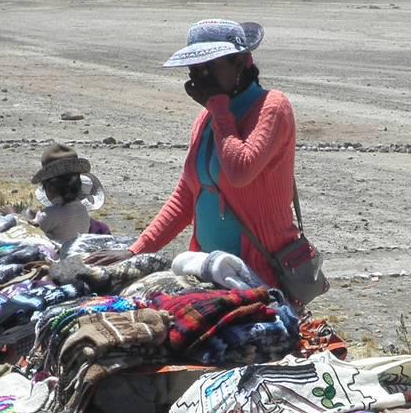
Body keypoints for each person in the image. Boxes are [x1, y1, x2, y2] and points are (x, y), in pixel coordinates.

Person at [126, 18, 299, 289]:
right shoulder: (207, 119)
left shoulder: (271, 108)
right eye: (195, 68)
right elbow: (186, 196)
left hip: (258, 270)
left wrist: (219, 110)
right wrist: (135, 251)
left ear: (239, 62)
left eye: (210, 66)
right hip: (210, 268)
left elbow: (240, 170)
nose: (200, 76)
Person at [28, 142, 109, 244]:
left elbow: (30, 231)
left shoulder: (49, 214)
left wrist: (14, 216)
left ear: (50, 188)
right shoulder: (82, 210)